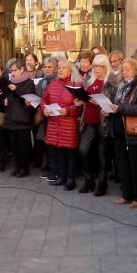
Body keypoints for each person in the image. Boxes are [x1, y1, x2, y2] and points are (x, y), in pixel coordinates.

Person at [108, 58, 137, 207]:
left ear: (136, 70)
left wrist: (119, 108)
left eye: (128, 69)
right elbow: (117, 106)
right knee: (123, 166)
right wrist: (108, 111)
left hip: (135, 132)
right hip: (119, 130)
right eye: (123, 70)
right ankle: (126, 194)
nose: (125, 73)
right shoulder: (120, 85)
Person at [41, 59, 81, 190]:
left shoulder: (76, 85)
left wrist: (68, 110)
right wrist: (44, 109)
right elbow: (44, 99)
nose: (60, 70)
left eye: (63, 68)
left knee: (69, 153)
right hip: (54, 123)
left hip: (68, 124)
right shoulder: (53, 84)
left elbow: (80, 106)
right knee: (59, 152)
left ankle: (71, 179)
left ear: (70, 70)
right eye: (59, 68)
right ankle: (61, 177)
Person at [80, 54, 111, 195]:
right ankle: (89, 179)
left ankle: (102, 183)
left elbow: (113, 103)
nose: (98, 69)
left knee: (102, 153)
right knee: (83, 150)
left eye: (101, 66)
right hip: (89, 120)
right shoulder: (89, 80)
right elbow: (85, 97)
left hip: (103, 122)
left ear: (106, 67)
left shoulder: (110, 82)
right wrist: (80, 101)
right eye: (95, 66)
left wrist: (100, 103)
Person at [3, 59, 35, 177]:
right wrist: (4, 99)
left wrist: (16, 89)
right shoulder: (10, 81)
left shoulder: (29, 82)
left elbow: (28, 98)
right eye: (11, 71)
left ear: (22, 70)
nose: (12, 73)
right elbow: (7, 96)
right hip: (11, 117)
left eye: (15, 70)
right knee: (14, 146)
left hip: (22, 118)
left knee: (23, 146)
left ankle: (24, 168)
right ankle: (17, 166)